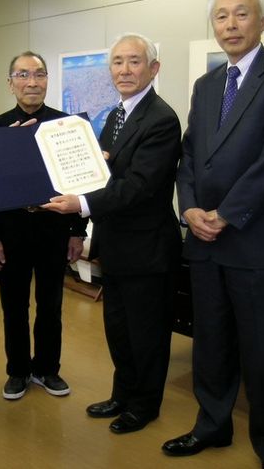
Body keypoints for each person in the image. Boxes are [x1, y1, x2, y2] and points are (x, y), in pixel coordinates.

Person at [163, 0, 264, 469]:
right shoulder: (207, 86)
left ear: (262, 22)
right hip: (203, 241)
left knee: (263, 353)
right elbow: (189, 157)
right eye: (221, 16)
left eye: (241, 14)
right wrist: (188, 209)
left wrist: (225, 214)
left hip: (252, 241)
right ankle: (213, 425)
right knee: (211, 343)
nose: (230, 24)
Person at [43, 33, 181, 435]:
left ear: (153, 69)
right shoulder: (114, 116)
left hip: (148, 249)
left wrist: (81, 204)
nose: (124, 70)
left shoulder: (161, 118)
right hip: (118, 246)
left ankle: (144, 405)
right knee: (119, 330)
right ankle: (123, 394)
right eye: (118, 62)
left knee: (147, 335)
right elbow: (102, 173)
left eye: (134, 61)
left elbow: (140, 185)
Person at [0, 51, 87, 400]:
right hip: (11, 231)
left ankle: (47, 370)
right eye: (23, 75)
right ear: (10, 83)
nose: (32, 82)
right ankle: (18, 371)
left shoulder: (66, 125)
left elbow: (80, 181)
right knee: (14, 305)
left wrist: (77, 232)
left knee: (51, 304)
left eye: (39, 74)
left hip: (54, 229)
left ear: (47, 81)